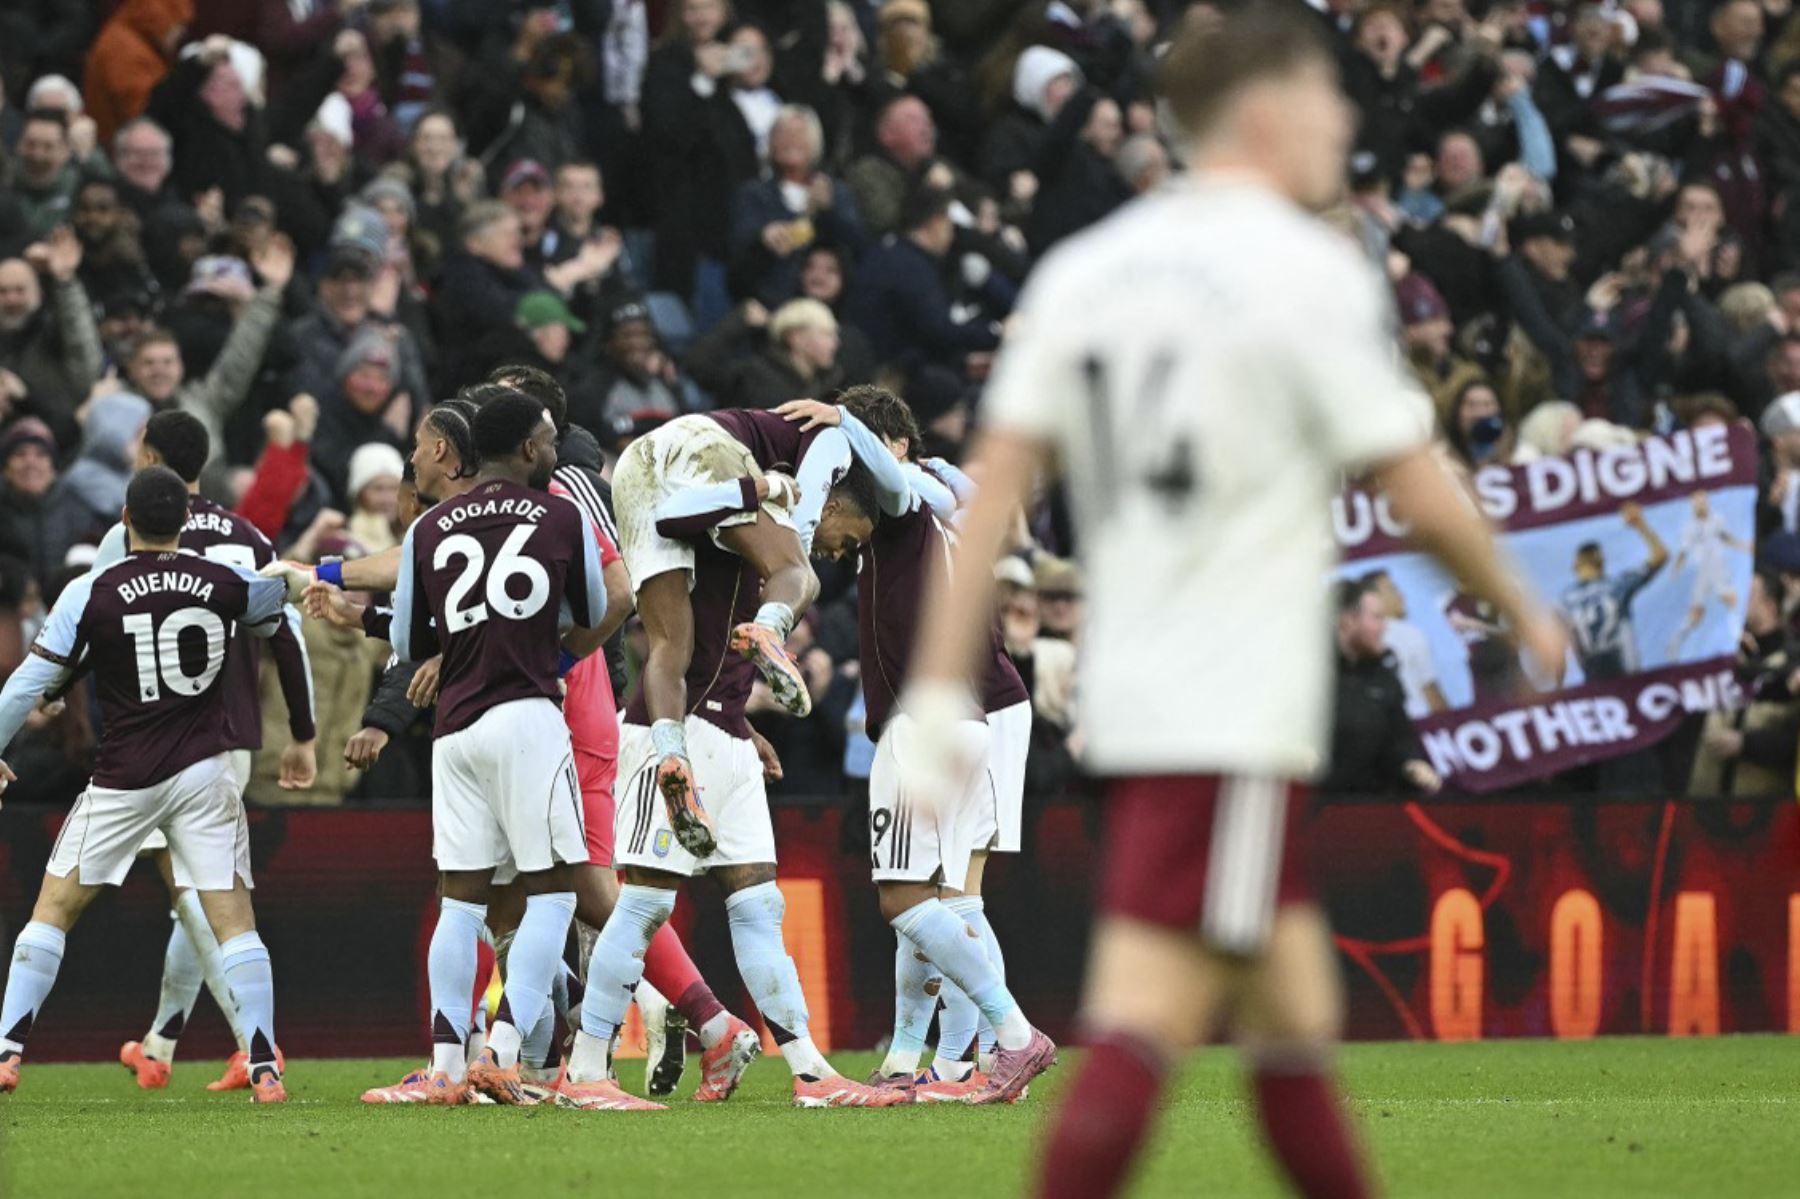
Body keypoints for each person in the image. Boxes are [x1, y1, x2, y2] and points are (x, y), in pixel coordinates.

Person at [902, 10, 1567, 1197]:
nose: (1347, 126)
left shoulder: (1082, 270)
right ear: (1265, 111)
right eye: (1329, 102)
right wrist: (1526, 603)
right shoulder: (1304, 269)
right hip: (1234, 708)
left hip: (1142, 692)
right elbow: (1411, 479)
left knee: (1291, 1013)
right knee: (1145, 1020)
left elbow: (994, 486)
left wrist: (942, 689)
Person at [571, 440, 905, 1110]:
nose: (840, 552)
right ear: (832, 501)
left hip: (725, 730)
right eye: (849, 537)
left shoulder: (770, 545)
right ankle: (584, 1071)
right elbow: (667, 517)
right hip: (671, 731)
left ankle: (809, 1070)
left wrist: (744, 725)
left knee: (760, 904)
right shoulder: (730, 509)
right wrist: (756, 491)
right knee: (643, 905)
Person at [775, 390, 1041, 1104]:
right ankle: (922, 1057)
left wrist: (843, 424)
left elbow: (901, 482)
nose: (819, 538)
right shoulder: (929, 515)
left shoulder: (902, 507)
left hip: (949, 714)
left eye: (821, 504)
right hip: (959, 713)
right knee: (935, 897)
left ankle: (982, 1052)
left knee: (944, 898)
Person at [0, 465, 293, 1102]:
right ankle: (265, 1064)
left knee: (52, 911)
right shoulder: (226, 582)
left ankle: (7, 1052)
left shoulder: (92, 589)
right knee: (234, 922)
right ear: (185, 522)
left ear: (125, 520)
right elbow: (285, 605)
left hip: (124, 776)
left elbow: (29, 682)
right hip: (205, 773)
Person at [374, 392, 609, 1105]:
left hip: (456, 730)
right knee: (554, 892)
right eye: (547, 441)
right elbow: (593, 613)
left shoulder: (429, 526)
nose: (553, 451)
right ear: (529, 449)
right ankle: (503, 1051)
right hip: (529, 717)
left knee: (462, 899)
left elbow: (409, 641)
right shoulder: (563, 514)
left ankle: (446, 1066)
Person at [84, 411, 314, 1091]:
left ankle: (253, 1042)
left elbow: (84, 623)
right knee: (201, 891)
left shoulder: (128, 535)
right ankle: (159, 1042)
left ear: (149, 455)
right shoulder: (246, 535)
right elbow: (286, 632)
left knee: (194, 891)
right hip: (230, 734)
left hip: (154, 738)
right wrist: (302, 731)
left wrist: (52, 690)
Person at [1322, 577, 1442, 796]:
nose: (1385, 626)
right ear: (1348, 620)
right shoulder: (1309, 677)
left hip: (1380, 805)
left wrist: (1411, 764)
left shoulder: (1384, 674)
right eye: (1376, 618)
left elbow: (1400, 736)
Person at [1561, 502, 1669, 681]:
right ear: (1602, 561)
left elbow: (1660, 556)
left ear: (1575, 564)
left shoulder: (1566, 600)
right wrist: (1640, 525)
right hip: (1615, 679)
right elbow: (1660, 555)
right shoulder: (1616, 585)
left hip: (1611, 677)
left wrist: (1640, 524)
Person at [1667, 489, 1751, 659]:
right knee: (1697, 614)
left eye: (1703, 501)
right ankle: (1674, 644)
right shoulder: (1690, 527)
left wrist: (1744, 546)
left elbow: (1726, 538)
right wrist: (1675, 568)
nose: (1700, 505)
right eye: (1696, 502)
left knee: (1734, 602)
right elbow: (1683, 550)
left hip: (1719, 568)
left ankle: (1738, 642)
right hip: (1701, 572)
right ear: (1692, 505)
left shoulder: (1717, 519)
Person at [1365, 568, 1448, 716]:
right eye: (1392, 589)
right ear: (1375, 600)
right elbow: (1432, 695)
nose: (1401, 596)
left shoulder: (1357, 642)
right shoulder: (1407, 633)